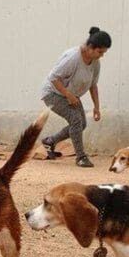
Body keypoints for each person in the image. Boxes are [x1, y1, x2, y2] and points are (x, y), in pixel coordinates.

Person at [40, 26, 111, 167]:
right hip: (52, 93)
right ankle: (80, 157)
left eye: (104, 52)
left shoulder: (96, 63)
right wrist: (68, 94)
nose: (101, 55)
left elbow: (93, 85)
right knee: (76, 120)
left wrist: (97, 107)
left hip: (70, 95)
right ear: (90, 47)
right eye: (100, 51)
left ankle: (50, 141)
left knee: (81, 124)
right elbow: (54, 77)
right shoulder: (73, 57)